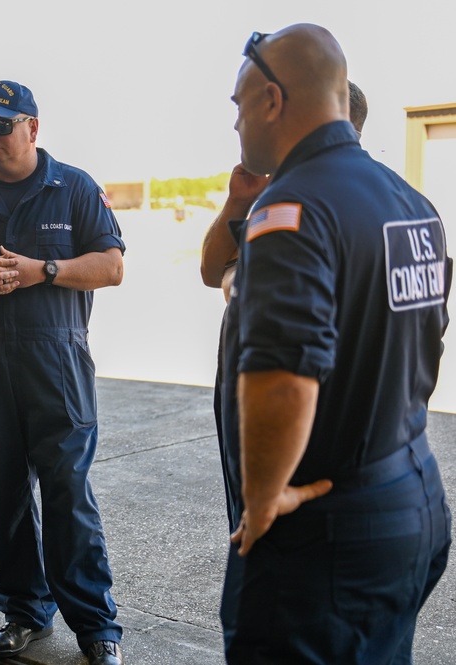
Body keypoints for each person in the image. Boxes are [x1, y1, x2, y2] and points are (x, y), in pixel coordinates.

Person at [220, 24, 451, 662]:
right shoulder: (410, 202)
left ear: (272, 99)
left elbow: (285, 376)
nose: (235, 125)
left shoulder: (290, 209)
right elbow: (425, 342)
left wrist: (264, 497)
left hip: (324, 534)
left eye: (237, 107)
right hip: (410, 497)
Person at [0, 80, 126, 665]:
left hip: (56, 360)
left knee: (69, 493)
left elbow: (112, 266)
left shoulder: (75, 188)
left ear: (32, 128)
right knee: (2, 495)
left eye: (1, 125)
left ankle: (95, 626)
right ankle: (23, 613)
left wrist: (45, 270)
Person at [200, 80, 367, 532]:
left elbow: (291, 362)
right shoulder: (272, 195)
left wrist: (266, 491)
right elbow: (211, 271)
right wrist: (238, 201)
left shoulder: (314, 203)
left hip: (305, 441)